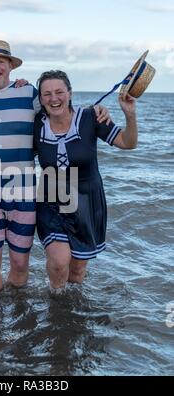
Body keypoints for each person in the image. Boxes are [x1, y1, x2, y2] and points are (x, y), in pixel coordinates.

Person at [0, 40, 111, 293]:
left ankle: (19, 316)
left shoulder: (29, 94)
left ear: (11, 66)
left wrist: (95, 112)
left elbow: (60, 110)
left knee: (20, 264)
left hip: (24, 192)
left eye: (1, 62)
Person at [33, 70, 138, 290]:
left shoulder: (91, 118)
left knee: (78, 269)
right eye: (47, 94)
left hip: (86, 201)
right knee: (60, 261)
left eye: (60, 92)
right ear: (40, 99)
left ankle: (72, 310)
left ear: (70, 93)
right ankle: (56, 300)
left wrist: (129, 114)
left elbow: (127, 143)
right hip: (51, 199)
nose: (54, 98)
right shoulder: (36, 125)